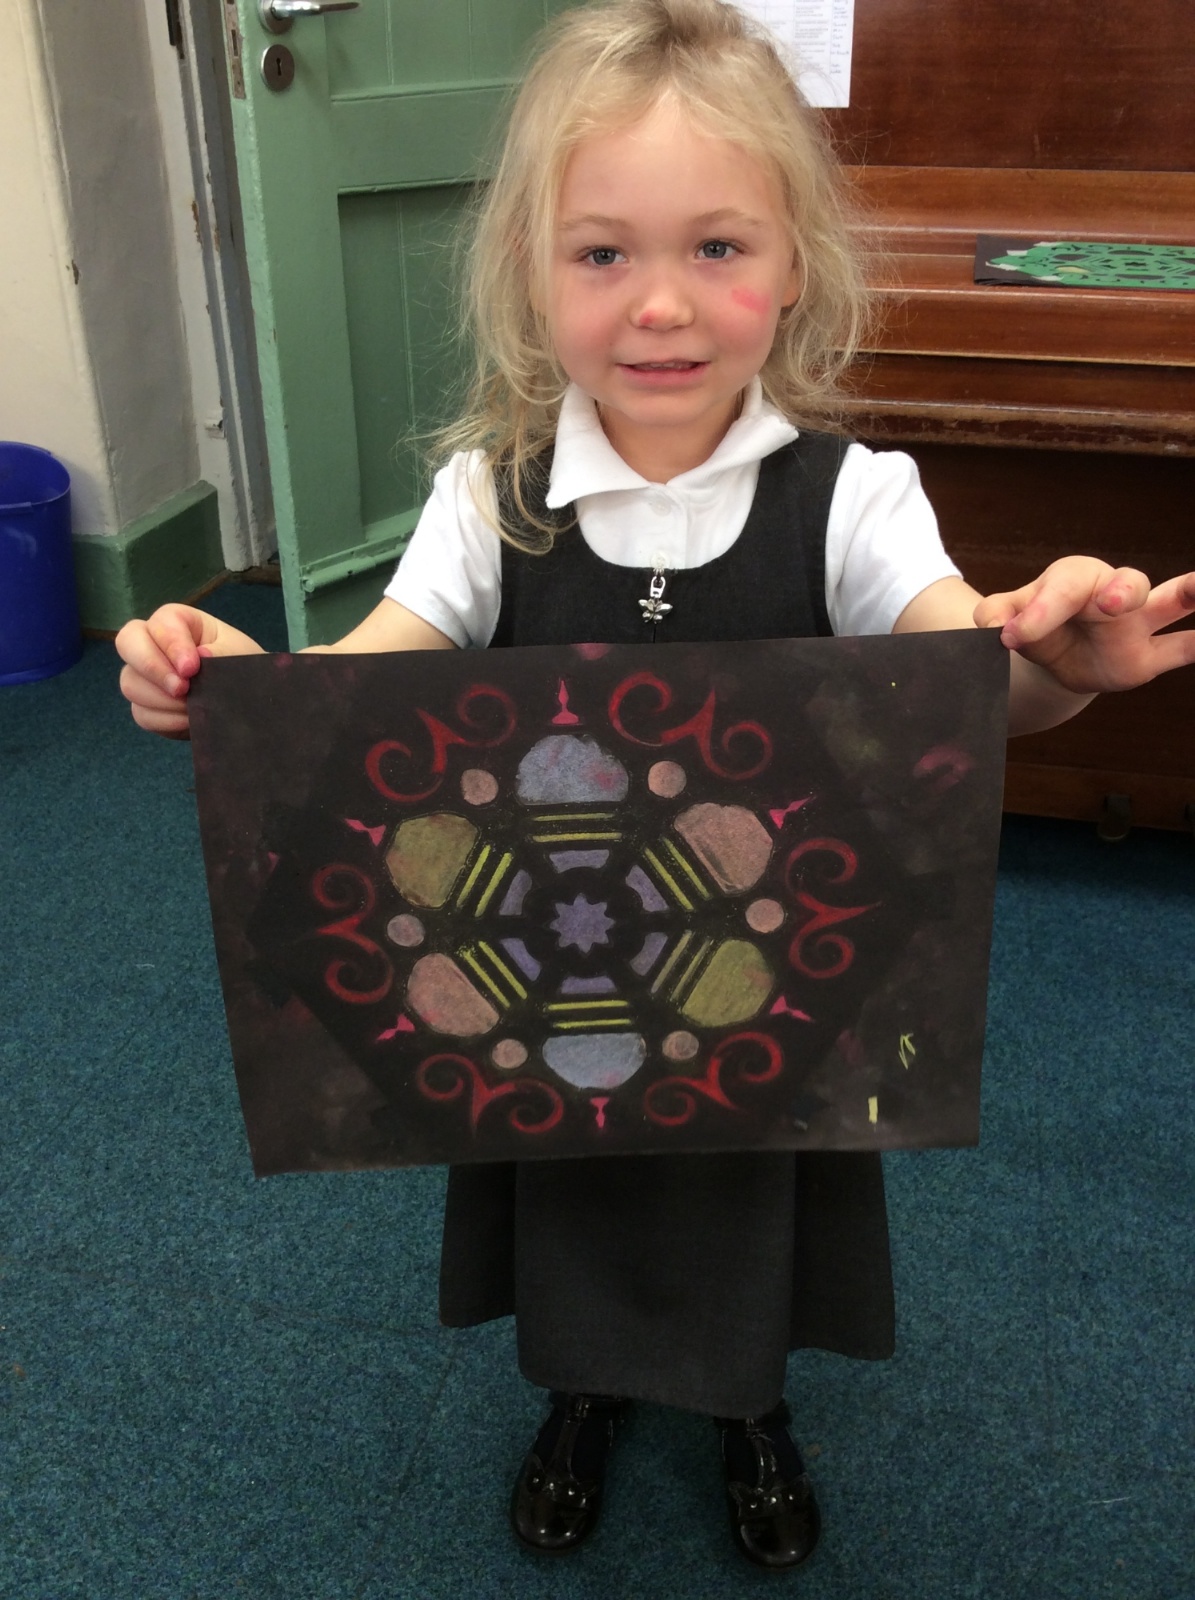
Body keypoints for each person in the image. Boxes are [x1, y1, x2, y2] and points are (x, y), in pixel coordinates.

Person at [116, 0, 1195, 1572]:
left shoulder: (857, 500)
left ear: (795, 267)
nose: (663, 304)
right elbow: (359, 688)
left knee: (750, 1208)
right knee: (579, 1203)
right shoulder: (487, 503)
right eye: (603, 253)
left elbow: (965, 683)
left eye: (719, 247)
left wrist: (1060, 664)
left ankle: (751, 1410)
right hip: (542, 983)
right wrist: (229, 681)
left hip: (761, 987)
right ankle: (583, 1394)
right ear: (531, 272)